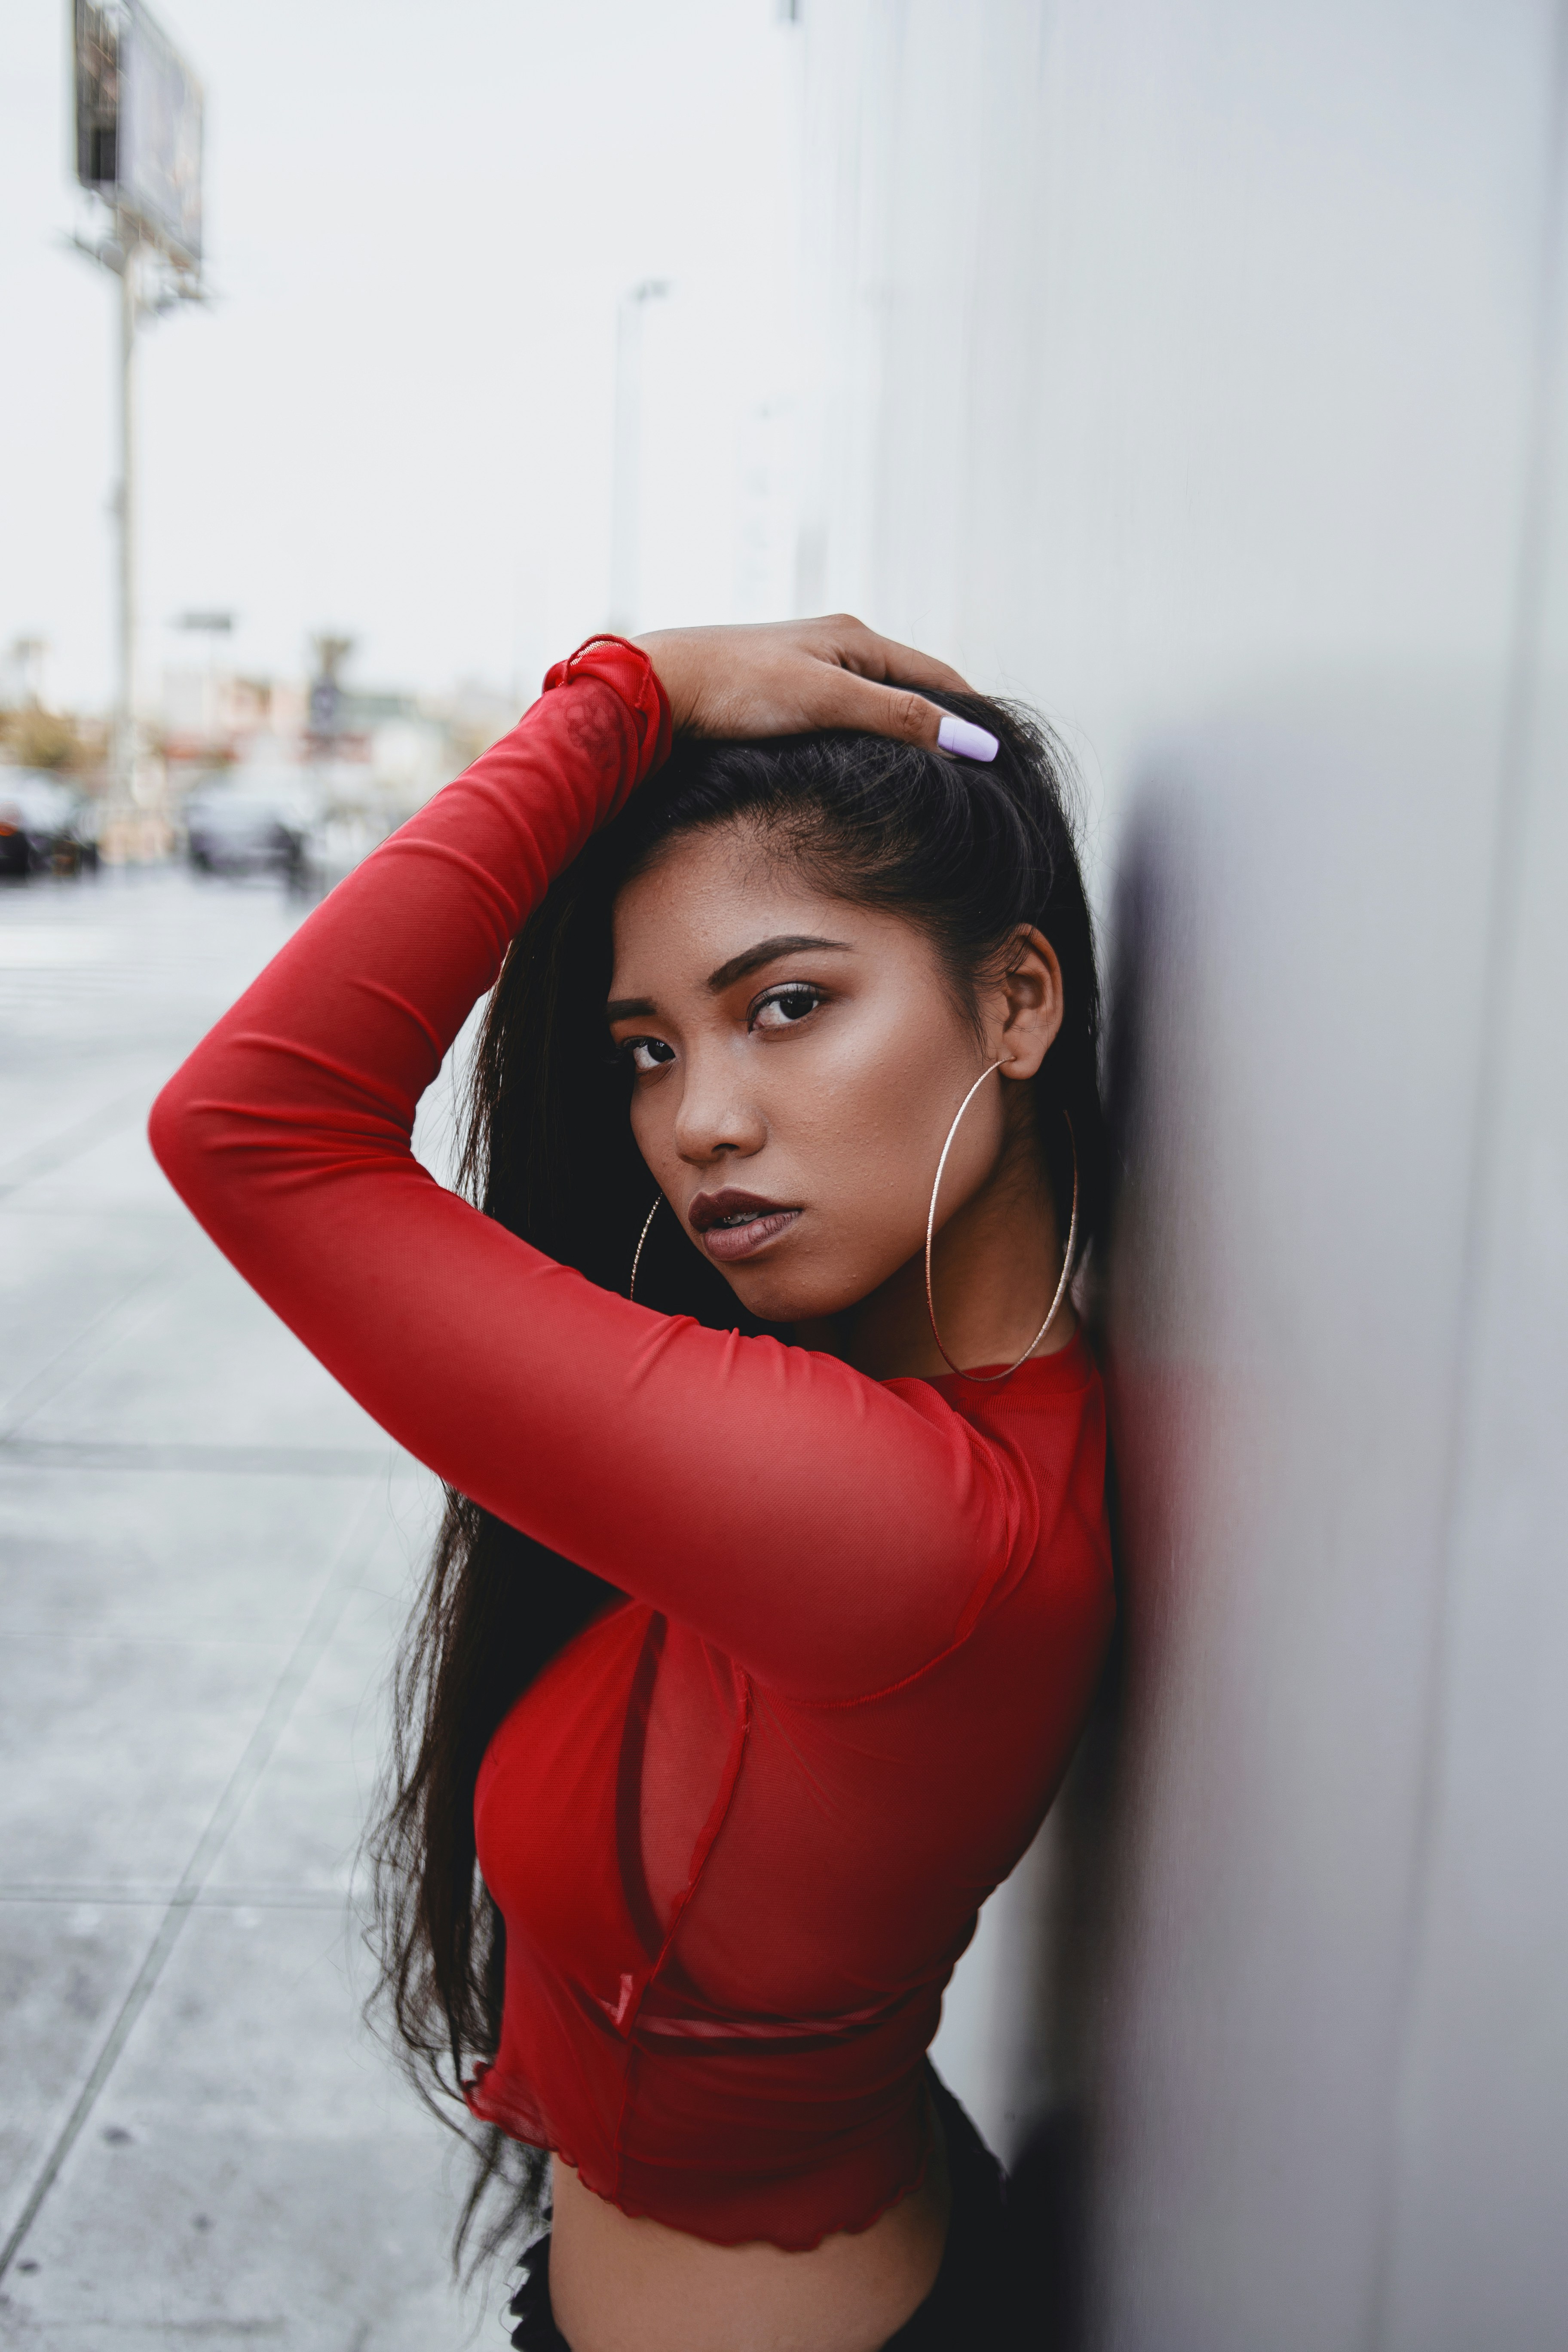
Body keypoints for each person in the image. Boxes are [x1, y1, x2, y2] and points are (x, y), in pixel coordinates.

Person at [150, 618, 1115, 2352]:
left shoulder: (897, 1522)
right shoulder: (933, 1418)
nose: (700, 1126)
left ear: (1018, 1000)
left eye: (789, 1007)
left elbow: (255, 1126)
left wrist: (620, 699)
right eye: (649, 1049)